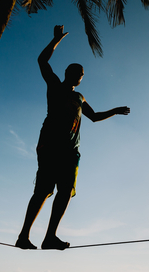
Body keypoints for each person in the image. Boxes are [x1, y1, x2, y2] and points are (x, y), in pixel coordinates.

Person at [15, 25, 130, 250]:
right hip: (50, 146)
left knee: (66, 191)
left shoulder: (79, 96)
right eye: (79, 72)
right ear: (69, 73)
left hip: (71, 151)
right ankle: (23, 236)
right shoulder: (56, 86)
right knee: (43, 190)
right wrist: (55, 40)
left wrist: (114, 111)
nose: (81, 76)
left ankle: (50, 237)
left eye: (83, 74)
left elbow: (94, 117)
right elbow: (42, 61)